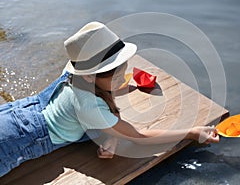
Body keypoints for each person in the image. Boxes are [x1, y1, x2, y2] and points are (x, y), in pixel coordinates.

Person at [0, 21, 219, 177]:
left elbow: (102, 101)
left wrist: (112, 132)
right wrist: (191, 132)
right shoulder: (90, 107)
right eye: (116, 75)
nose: (122, 79)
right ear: (89, 75)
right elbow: (139, 136)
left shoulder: (75, 78)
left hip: (20, 112)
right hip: (17, 141)